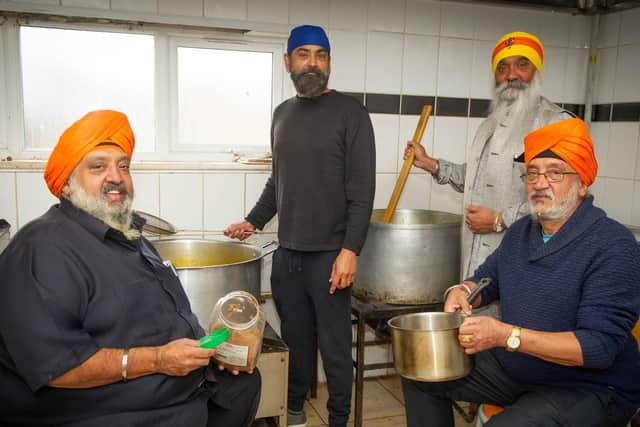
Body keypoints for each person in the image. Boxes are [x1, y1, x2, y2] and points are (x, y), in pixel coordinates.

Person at [0, 110, 261, 427]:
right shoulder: (42, 248)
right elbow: (58, 366)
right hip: (111, 411)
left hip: (182, 387)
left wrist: (214, 347)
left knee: (243, 384)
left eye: (123, 166)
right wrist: (159, 360)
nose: (115, 176)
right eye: (98, 167)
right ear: (66, 185)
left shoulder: (129, 236)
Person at [401, 117, 640, 427]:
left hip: (588, 387)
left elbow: (598, 349)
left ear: (583, 183)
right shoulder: (521, 232)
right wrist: (461, 291)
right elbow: (487, 280)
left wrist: (506, 336)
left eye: (555, 172)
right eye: (533, 173)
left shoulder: (613, 245)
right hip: (519, 369)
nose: (540, 183)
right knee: (422, 373)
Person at [225, 25, 375, 427]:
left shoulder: (351, 113)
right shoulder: (282, 114)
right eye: (304, 54)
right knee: (296, 341)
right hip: (288, 254)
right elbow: (279, 181)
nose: (313, 63)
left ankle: (339, 419)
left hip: (331, 255)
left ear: (328, 62)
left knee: (336, 348)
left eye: (321, 55)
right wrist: (252, 221)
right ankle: (294, 413)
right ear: (288, 61)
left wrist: (350, 251)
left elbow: (363, 191)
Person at [405, 31, 573, 279]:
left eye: (522, 64)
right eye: (502, 68)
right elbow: (476, 180)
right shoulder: (489, 125)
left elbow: (563, 200)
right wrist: (431, 164)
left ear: (536, 70)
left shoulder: (556, 124)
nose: (511, 75)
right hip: (477, 264)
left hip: (525, 266)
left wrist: (498, 220)